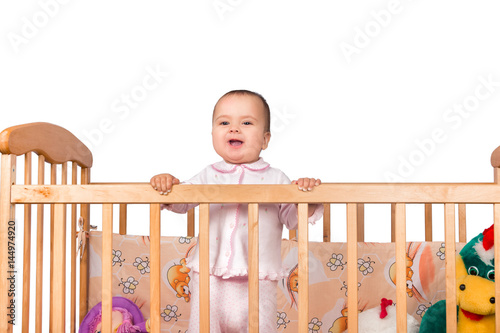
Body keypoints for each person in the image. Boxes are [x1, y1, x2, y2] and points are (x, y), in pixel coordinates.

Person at [150, 89, 323, 332]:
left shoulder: (276, 179)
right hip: (210, 273)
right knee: (205, 327)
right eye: (224, 122)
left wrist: (307, 199)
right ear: (212, 134)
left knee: (260, 326)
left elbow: (292, 219)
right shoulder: (208, 175)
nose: (234, 128)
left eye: (246, 122)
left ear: (265, 139)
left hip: (259, 275)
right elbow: (183, 202)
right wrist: (169, 186)